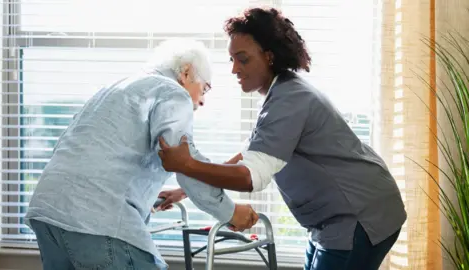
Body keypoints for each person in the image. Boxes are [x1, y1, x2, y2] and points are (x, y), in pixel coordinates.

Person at [157, 7, 407, 270]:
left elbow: (251, 176)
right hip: (335, 219)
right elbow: (248, 156)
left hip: (360, 215)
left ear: (269, 57)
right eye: (232, 59)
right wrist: (185, 190)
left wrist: (186, 165)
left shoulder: (289, 99)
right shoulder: (280, 94)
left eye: (242, 59)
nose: (234, 70)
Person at [24, 39, 258, 270]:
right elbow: (185, 161)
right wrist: (230, 212)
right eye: (205, 87)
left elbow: (89, 156)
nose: (204, 100)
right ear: (186, 72)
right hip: (96, 221)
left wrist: (144, 198)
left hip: (48, 214)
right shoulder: (172, 93)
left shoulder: (113, 90)